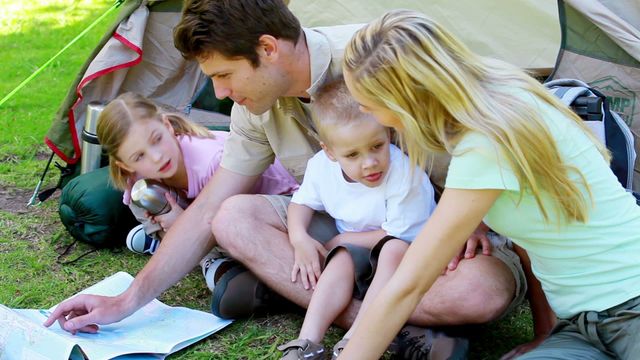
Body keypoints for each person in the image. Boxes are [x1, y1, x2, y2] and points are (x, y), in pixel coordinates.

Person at [45, 1, 526, 356]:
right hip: (341, 233)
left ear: (268, 49)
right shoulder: (252, 110)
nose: (219, 92)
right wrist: (124, 302)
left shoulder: (380, 60)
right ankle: (387, 329)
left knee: (478, 291)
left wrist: (469, 222)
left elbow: (494, 145)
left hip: (435, 230)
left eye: (225, 74)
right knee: (232, 217)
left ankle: (363, 316)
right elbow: (211, 208)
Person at [340, 9, 640, 359]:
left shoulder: (485, 145)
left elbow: (408, 285)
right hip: (583, 326)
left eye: (368, 105)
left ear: (404, 104)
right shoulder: (500, 90)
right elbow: (533, 211)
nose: (366, 114)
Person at [278, 81, 439, 359]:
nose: (369, 163)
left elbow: (397, 234)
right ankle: (307, 342)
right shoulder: (321, 167)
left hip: (407, 252)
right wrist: (299, 237)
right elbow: (300, 203)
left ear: (388, 133)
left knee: (391, 250)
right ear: (329, 151)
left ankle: (359, 338)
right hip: (360, 251)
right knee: (342, 258)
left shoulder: (404, 174)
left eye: (376, 146)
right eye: (352, 155)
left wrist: (342, 238)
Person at [96, 92, 298, 258]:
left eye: (157, 139)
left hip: (286, 202)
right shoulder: (137, 174)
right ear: (126, 165)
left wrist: (181, 224)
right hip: (208, 210)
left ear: (167, 126)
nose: (156, 157)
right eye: (139, 156)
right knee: (139, 195)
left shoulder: (211, 164)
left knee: (231, 234)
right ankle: (167, 241)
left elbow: (227, 224)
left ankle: (199, 254)